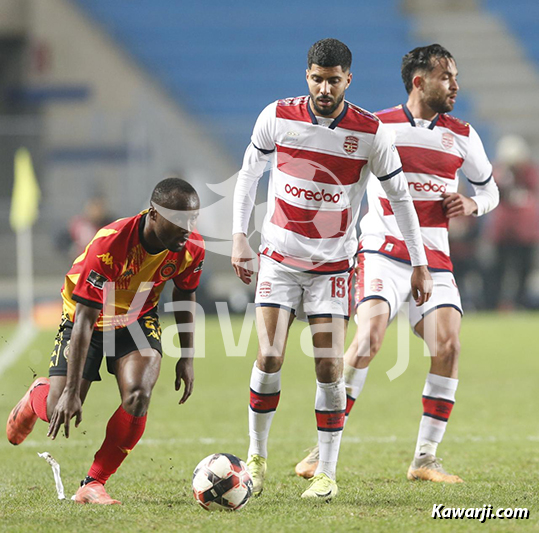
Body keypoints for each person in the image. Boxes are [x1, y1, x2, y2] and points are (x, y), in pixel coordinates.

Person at [232, 38, 432, 500]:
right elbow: (248, 174)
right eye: (318, 78)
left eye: (334, 79)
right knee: (270, 356)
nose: (325, 87)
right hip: (279, 260)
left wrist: (419, 262)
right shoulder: (277, 116)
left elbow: (400, 198)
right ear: (307, 77)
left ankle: (326, 471)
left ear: (348, 79)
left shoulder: (371, 132)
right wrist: (241, 237)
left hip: (333, 266)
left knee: (328, 369)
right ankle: (257, 458)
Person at [295, 44, 499, 483]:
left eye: (456, 76)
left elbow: (491, 190)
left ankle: (425, 458)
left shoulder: (463, 134)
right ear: (419, 81)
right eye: (447, 76)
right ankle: (321, 448)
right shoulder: (379, 127)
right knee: (368, 338)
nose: (455, 86)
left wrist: (472, 203)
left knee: (449, 347)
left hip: (436, 259)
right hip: (382, 252)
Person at [6, 177, 205, 505]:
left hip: (136, 320)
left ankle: (93, 483)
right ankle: (36, 397)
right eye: (180, 219)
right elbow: (85, 318)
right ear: (154, 214)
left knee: (139, 395)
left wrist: (187, 357)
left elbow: (185, 294)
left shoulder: (191, 248)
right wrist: (71, 390)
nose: (189, 227)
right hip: (86, 320)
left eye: (193, 218)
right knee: (61, 406)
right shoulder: (110, 245)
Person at [485, 134, 539, 310]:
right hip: (503, 233)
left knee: (523, 270)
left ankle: (521, 303)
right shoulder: (499, 172)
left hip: (525, 234)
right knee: (499, 270)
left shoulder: (530, 173)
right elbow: (493, 191)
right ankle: (494, 303)